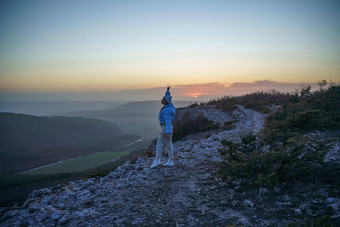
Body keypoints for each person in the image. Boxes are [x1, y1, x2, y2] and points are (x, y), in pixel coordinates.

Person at [150, 86, 176, 168]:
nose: (162, 99)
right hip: (167, 128)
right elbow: (168, 98)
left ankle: (157, 160)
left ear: (166, 101)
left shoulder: (167, 110)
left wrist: (167, 132)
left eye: (163, 99)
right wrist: (167, 91)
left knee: (159, 142)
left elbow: (168, 122)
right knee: (168, 144)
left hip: (166, 128)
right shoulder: (169, 107)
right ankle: (171, 161)